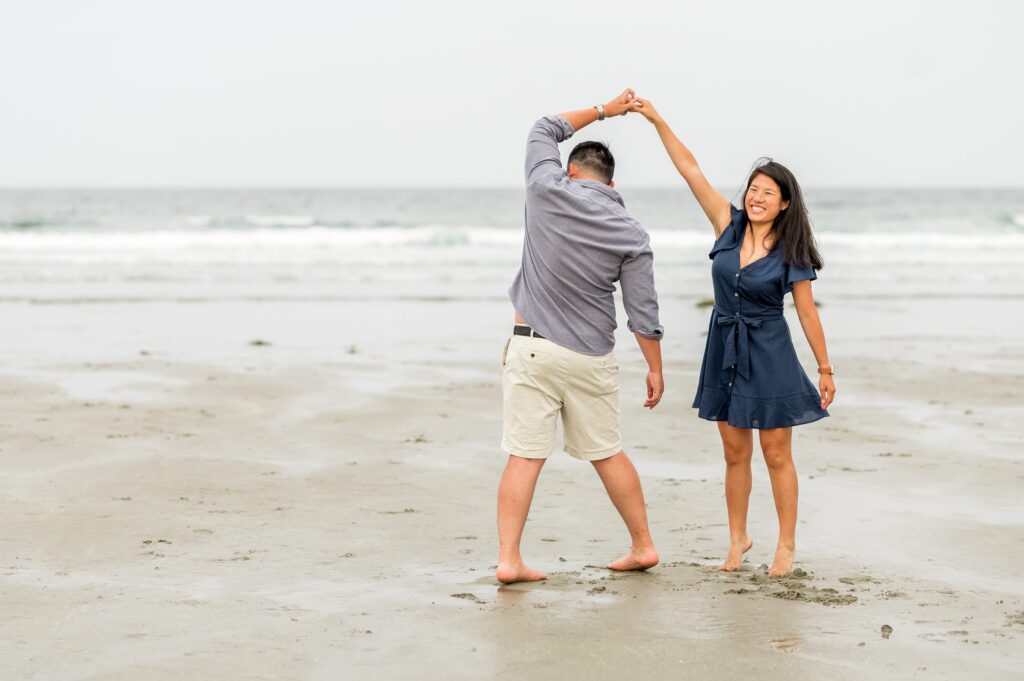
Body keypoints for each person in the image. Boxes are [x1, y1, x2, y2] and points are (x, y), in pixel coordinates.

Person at [630, 97, 836, 577]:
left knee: (776, 452)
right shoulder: (726, 225)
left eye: (768, 193)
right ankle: (737, 539)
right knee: (733, 451)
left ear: (784, 203)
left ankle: (785, 545)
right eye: (753, 189)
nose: (756, 197)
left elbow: (806, 312)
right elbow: (690, 170)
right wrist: (658, 119)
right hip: (724, 347)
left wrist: (825, 368)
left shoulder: (791, 251)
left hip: (771, 350)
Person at [496, 88, 665, 585]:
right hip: (591, 355)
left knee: (525, 455)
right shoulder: (630, 232)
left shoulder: (546, 188)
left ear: (572, 171)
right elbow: (643, 312)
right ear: (612, 183)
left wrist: (604, 111)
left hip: (534, 344)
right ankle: (643, 546)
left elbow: (544, 127)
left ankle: (510, 560)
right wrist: (655, 367)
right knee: (607, 451)